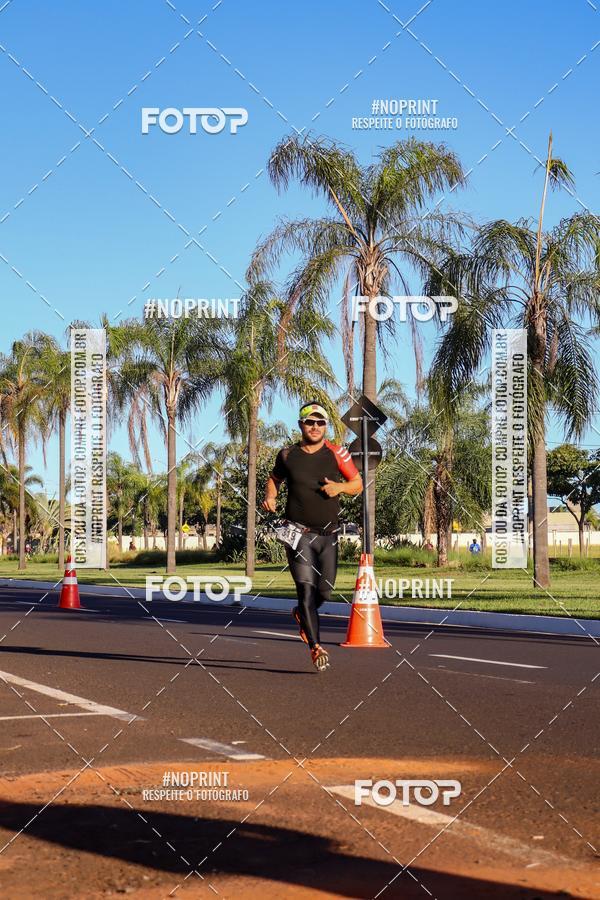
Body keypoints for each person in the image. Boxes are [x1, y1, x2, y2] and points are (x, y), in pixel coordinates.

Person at [263, 400, 363, 672]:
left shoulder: (337, 453)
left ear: (326, 426)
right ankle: (316, 647)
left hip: (329, 534)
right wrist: (270, 495)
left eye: (320, 422)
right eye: (310, 422)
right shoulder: (287, 455)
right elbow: (274, 479)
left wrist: (339, 488)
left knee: (325, 592)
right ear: (301, 425)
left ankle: (300, 614)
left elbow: (358, 484)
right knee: (306, 589)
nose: (315, 427)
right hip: (298, 533)